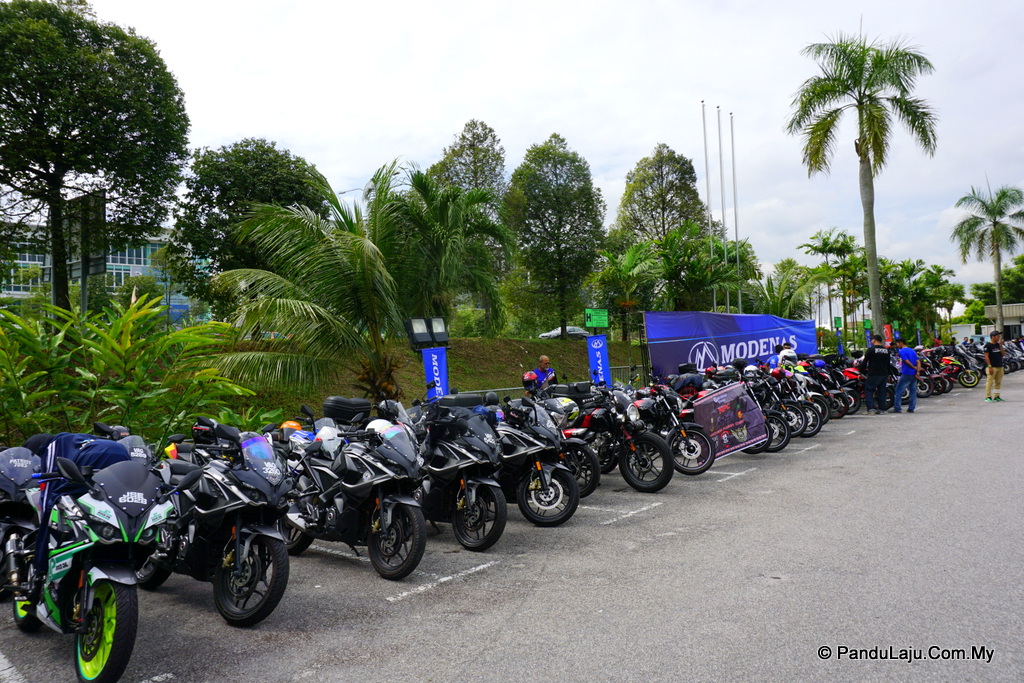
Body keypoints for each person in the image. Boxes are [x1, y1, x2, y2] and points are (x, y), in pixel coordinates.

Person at [863, 334, 891, 415]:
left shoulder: (871, 350)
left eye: (872, 340)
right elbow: (888, 364)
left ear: (874, 340)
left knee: (869, 391)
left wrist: (860, 371)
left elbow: (865, 362)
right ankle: (881, 409)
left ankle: (871, 409)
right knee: (882, 391)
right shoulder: (886, 350)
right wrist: (889, 374)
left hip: (873, 373)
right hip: (884, 374)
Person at [893, 338, 921, 413]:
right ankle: (911, 408)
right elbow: (918, 361)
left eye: (897, 343)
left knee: (898, 390)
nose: (897, 345)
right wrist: (917, 371)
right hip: (914, 374)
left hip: (906, 373)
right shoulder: (912, 350)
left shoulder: (902, 351)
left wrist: (913, 367)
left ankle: (897, 408)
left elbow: (906, 361)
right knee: (913, 391)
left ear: (900, 343)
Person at [983, 330, 1004, 402]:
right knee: (990, 382)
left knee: (998, 382)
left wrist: (1000, 346)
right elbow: (986, 356)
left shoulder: (998, 345)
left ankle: (997, 396)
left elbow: (1003, 354)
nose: (999, 338)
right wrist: (989, 366)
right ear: (993, 337)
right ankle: (988, 396)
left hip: (999, 366)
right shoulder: (988, 345)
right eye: (998, 336)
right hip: (992, 367)